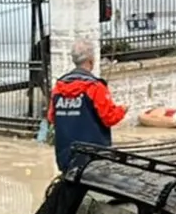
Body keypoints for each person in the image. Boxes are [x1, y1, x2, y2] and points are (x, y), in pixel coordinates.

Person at [48, 38, 127, 170]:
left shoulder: (58, 88)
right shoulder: (95, 87)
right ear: (91, 61)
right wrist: (122, 110)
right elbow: (109, 118)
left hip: (66, 158)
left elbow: (51, 118)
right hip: (93, 160)